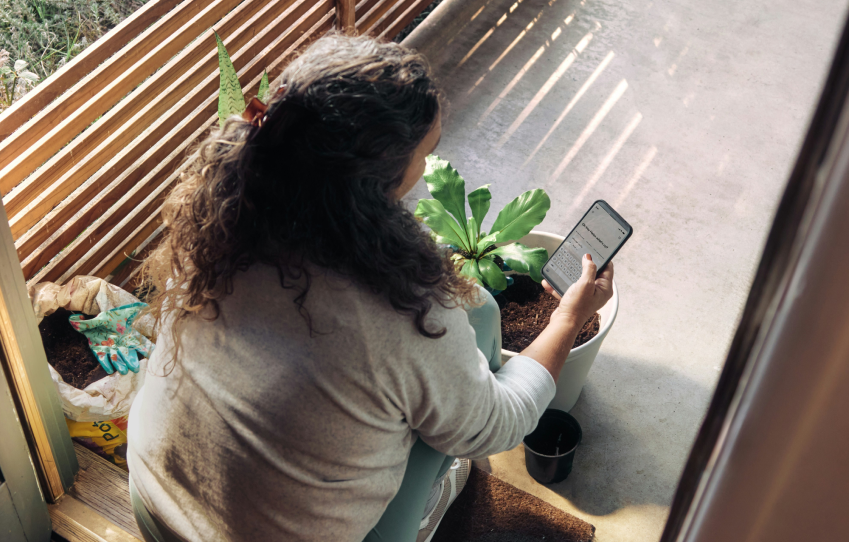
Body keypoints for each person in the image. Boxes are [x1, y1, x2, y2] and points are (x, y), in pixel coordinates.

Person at [126, 33, 615, 542]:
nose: (426, 169)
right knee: (444, 418)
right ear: (376, 179)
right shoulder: (404, 314)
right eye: (425, 154)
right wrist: (568, 317)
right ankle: (428, 511)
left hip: (157, 505)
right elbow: (499, 423)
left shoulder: (218, 222)